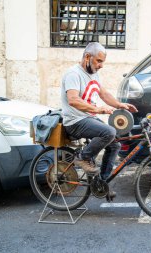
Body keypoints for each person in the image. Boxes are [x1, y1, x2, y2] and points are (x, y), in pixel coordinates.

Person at [61, 42, 137, 183]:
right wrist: (98, 109)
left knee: (115, 144)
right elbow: (73, 100)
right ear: (87, 57)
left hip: (88, 119)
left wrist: (120, 105)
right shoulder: (73, 74)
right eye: (99, 61)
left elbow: (104, 94)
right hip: (75, 121)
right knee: (109, 132)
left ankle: (102, 182)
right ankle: (82, 158)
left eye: (102, 62)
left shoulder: (94, 74)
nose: (101, 65)